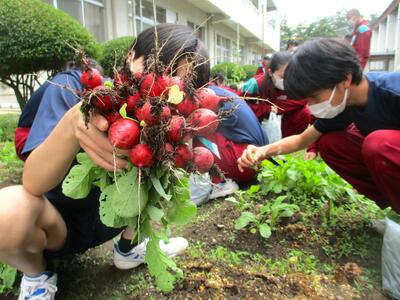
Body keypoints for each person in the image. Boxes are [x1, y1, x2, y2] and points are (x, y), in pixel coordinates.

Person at [0, 24, 210, 299]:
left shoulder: (172, 123)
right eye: (158, 73)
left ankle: (128, 247)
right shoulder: (73, 91)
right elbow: (33, 181)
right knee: (6, 213)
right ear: (129, 58)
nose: (165, 94)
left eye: (180, 89)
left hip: (113, 221)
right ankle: (37, 273)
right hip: (58, 225)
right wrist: (73, 122)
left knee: (154, 170)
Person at [238, 37, 400, 215]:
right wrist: (263, 150)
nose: (310, 105)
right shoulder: (346, 103)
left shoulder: (393, 92)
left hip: (382, 145)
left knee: (378, 144)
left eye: (314, 97)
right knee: (331, 144)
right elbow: (302, 139)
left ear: (345, 79)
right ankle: (394, 206)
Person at [192, 84, 269, 201]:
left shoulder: (199, 99)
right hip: (261, 153)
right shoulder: (218, 90)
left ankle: (219, 183)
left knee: (194, 128)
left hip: (245, 160)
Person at [239, 51, 318, 160]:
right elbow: (238, 106)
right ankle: (257, 142)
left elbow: (313, 112)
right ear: (270, 72)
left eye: (291, 76)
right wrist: (265, 109)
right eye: (282, 76)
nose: (287, 81)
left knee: (305, 113)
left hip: (282, 121)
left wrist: (312, 147)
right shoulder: (255, 84)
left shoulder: (296, 85)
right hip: (258, 123)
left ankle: (282, 144)